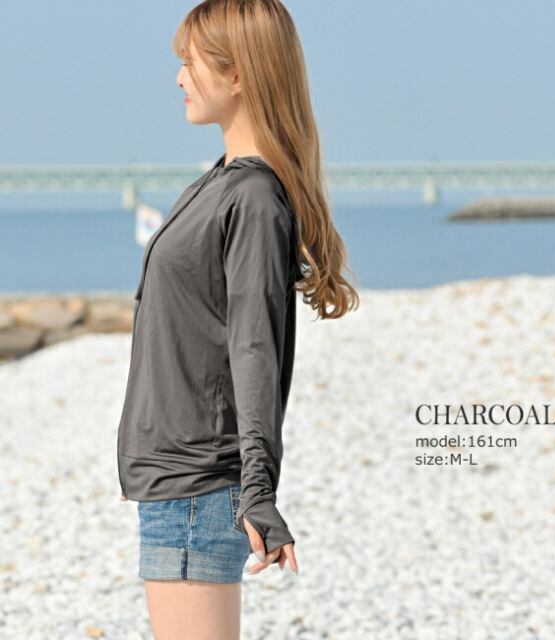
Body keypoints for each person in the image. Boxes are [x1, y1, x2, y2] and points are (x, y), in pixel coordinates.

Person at [115, 0, 359, 637]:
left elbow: (255, 350)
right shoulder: (219, 184)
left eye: (190, 62)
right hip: (175, 481)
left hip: (197, 485)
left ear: (239, 73)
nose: (178, 77)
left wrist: (258, 491)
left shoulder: (251, 197)